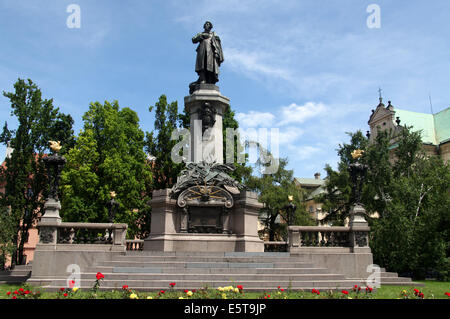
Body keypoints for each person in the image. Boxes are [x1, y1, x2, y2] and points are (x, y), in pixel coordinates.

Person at [192, 21, 224, 85]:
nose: (207, 25)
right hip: (202, 50)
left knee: (210, 66)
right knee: (202, 65)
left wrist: (217, 52)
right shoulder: (201, 34)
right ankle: (202, 79)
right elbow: (194, 39)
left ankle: (210, 80)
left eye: (209, 24)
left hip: (211, 51)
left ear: (211, 27)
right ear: (204, 26)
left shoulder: (213, 34)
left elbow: (217, 43)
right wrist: (202, 36)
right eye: (206, 24)